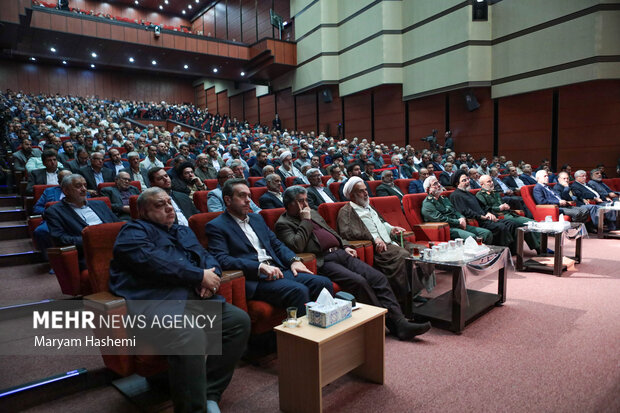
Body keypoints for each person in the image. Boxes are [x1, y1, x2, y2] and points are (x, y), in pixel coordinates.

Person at [108, 187, 250, 413]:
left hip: (194, 299)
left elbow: (207, 256)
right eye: (159, 204)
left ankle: (209, 393)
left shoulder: (183, 231)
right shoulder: (133, 231)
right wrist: (198, 276)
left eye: (169, 202)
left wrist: (211, 277)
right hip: (158, 304)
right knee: (190, 335)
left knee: (238, 322)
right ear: (143, 211)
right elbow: (154, 262)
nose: (168, 208)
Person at [275, 186, 431, 340]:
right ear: (289, 204)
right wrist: (305, 221)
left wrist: (345, 245)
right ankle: (392, 322)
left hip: (341, 253)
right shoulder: (283, 223)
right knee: (360, 282)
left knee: (378, 277)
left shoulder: (313, 213)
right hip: (324, 261)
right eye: (300, 201)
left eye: (306, 200)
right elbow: (297, 245)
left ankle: (399, 321)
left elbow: (331, 232)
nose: (306, 204)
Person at [205, 179, 333, 316]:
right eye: (242, 196)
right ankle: (305, 336)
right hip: (256, 279)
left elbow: (276, 244)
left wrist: (294, 260)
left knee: (322, 282)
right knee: (298, 291)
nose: (248, 200)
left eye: (249, 196)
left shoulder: (256, 219)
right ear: (228, 200)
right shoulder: (216, 226)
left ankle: (328, 326)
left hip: (279, 269)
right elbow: (222, 258)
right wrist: (258, 267)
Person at [337, 177, 435, 307]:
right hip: (379, 248)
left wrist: (392, 229)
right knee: (403, 256)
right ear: (351, 195)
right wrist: (373, 238)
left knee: (424, 251)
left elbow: (382, 223)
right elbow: (348, 233)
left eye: (366, 190)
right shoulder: (346, 211)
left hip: (392, 242)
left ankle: (419, 291)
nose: (366, 193)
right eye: (361, 191)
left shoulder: (369, 207)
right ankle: (406, 299)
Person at [44, 174, 119, 269]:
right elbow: (60, 238)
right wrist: (92, 240)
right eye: (78, 186)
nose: (84, 189)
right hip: (89, 253)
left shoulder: (100, 204)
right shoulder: (54, 211)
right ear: (66, 191)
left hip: (115, 247)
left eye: (85, 185)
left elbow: (117, 224)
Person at [449, 170, 516, 251]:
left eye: (467, 179)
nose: (467, 182)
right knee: (500, 227)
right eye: (464, 180)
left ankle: (512, 252)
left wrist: (488, 213)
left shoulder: (469, 193)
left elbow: (483, 206)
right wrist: (481, 216)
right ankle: (501, 252)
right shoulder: (455, 195)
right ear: (457, 183)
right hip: (478, 220)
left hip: (485, 218)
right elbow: (464, 211)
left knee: (510, 223)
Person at [477, 175, 541, 253]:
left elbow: (500, 204)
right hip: (500, 216)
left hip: (509, 214)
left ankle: (539, 247)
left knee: (530, 224)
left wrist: (506, 206)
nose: (492, 183)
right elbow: (486, 209)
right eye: (489, 182)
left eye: (492, 181)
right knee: (532, 223)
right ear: (482, 185)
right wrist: (499, 208)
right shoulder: (480, 195)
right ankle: (539, 248)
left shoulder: (495, 193)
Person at [421, 175, 493, 242]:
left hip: (457, 224)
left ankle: (487, 254)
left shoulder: (443, 198)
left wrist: (461, 218)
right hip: (447, 228)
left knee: (486, 233)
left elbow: (454, 210)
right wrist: (458, 222)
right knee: (472, 237)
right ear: (428, 189)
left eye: (438, 182)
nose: (439, 185)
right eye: (435, 184)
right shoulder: (428, 203)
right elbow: (440, 218)